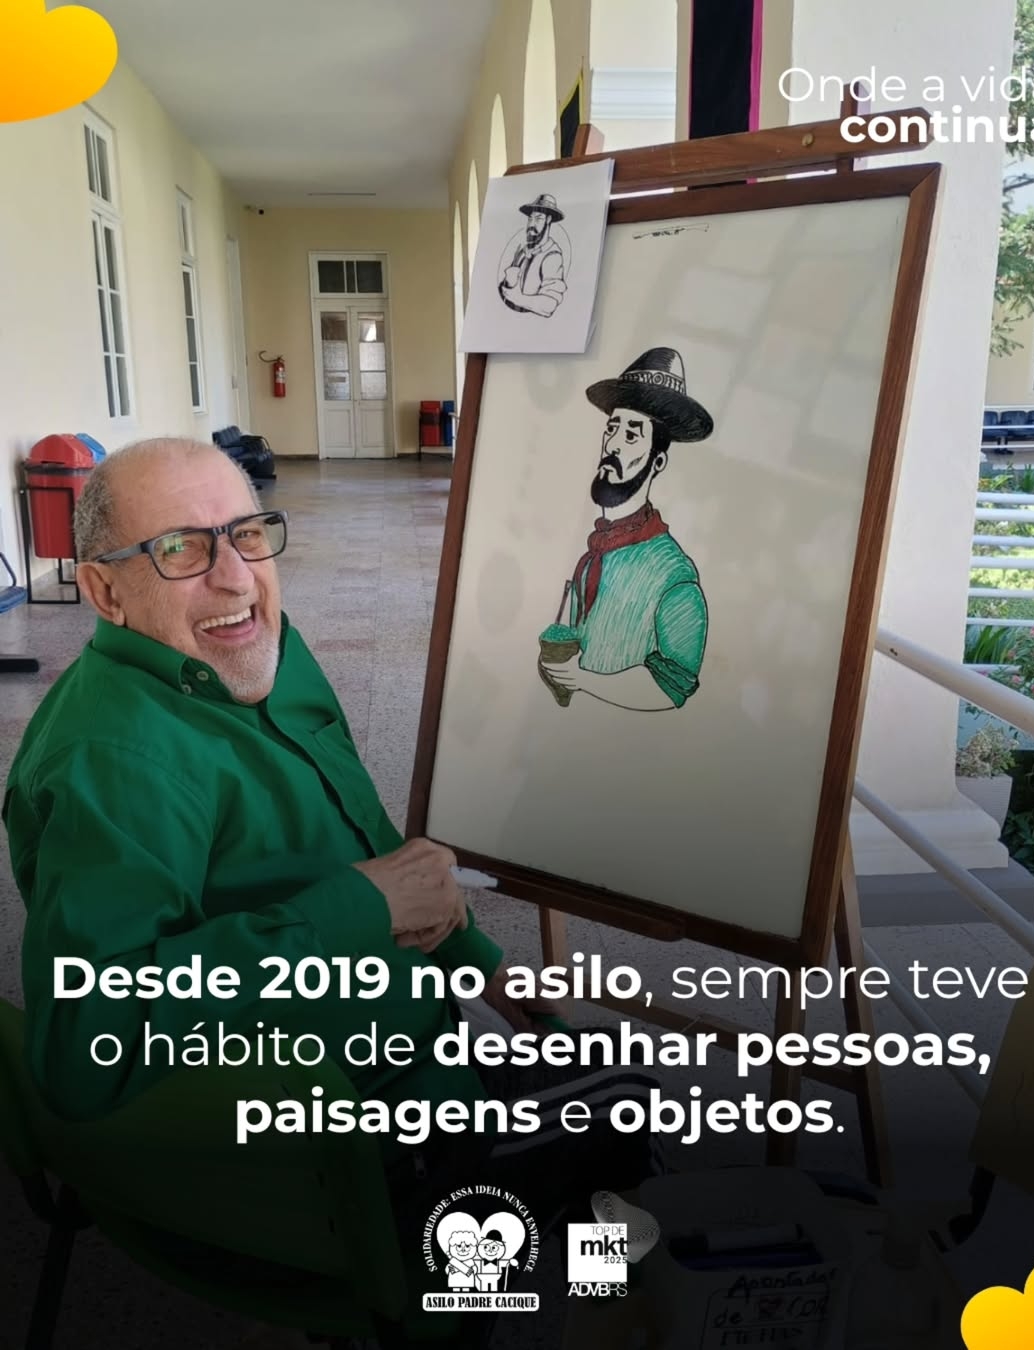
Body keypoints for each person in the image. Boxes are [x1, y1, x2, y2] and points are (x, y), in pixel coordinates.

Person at [2, 438, 658, 1336]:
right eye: (180, 549)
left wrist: (476, 960)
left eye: (246, 534)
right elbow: (87, 1050)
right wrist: (362, 909)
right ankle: (526, 1313)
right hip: (324, 1158)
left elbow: (359, 836)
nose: (236, 578)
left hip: (401, 1055)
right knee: (625, 1104)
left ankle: (576, 1298)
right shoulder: (114, 763)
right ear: (104, 591)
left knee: (592, 1077)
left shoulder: (257, 648)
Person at [539, 347, 714, 713]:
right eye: (612, 429)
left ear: (658, 461)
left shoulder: (674, 576)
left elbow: (672, 688)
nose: (613, 445)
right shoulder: (596, 552)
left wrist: (581, 680)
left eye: (632, 436)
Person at [498, 193, 567, 317]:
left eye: (538, 218)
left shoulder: (552, 256)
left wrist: (516, 298)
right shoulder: (522, 251)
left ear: (548, 220)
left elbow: (549, 304)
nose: (531, 224)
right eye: (530, 219)